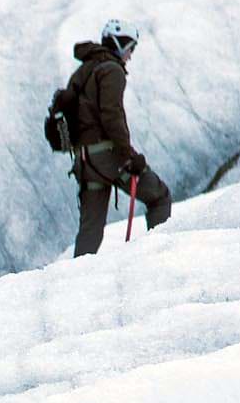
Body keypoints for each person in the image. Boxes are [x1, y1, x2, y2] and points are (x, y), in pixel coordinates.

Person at [67, 18, 173, 256]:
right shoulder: (112, 71)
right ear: (119, 44)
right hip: (107, 156)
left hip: (84, 161)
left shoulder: (84, 70)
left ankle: (73, 285)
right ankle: (159, 258)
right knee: (159, 197)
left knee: (90, 231)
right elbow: (112, 117)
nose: (130, 55)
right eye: (130, 48)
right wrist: (129, 156)